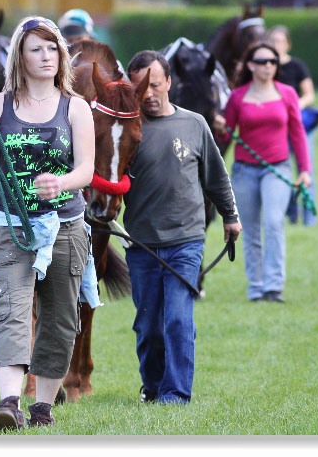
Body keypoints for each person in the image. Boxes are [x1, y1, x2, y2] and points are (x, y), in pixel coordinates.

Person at [0, 16, 96, 431]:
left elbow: (86, 169)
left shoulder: (76, 107)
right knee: (11, 311)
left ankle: (43, 409)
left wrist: (63, 182)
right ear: (19, 55)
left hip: (65, 227)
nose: (46, 56)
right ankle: (9, 403)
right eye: (36, 48)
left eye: (53, 48)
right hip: (10, 225)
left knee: (60, 318)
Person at [123, 50, 241, 405]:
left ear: (169, 83)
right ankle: (154, 385)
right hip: (141, 243)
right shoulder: (126, 129)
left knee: (177, 319)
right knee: (148, 327)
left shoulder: (195, 124)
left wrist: (230, 217)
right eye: (139, 87)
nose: (147, 94)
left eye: (155, 84)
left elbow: (216, 177)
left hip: (185, 240)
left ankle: (175, 394)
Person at [215, 43, 311, 304]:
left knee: (273, 222)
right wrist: (221, 126)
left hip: (277, 169)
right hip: (245, 171)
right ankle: (256, 288)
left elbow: (298, 133)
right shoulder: (238, 97)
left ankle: (274, 286)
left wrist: (305, 170)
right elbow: (228, 134)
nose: (269, 65)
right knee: (251, 230)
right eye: (263, 61)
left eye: (273, 61)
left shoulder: (287, 94)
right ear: (251, 65)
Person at [266, 25, 318, 227]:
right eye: (273, 41)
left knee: (306, 171)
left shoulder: (297, 66)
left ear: (288, 44)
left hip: (298, 125)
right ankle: (287, 213)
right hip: (277, 128)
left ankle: (310, 218)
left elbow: (310, 94)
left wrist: (295, 106)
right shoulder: (267, 68)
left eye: (280, 41)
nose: (276, 45)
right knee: (281, 172)